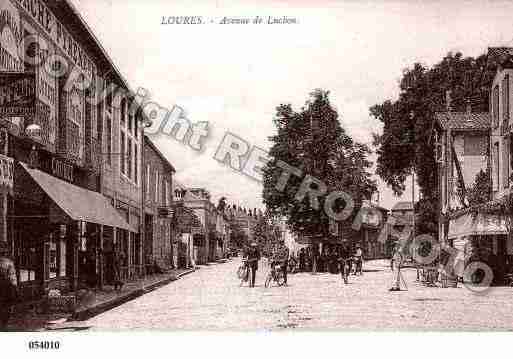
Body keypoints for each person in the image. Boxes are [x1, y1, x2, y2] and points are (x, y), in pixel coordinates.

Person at [0, 246, 18, 330]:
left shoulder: (8, 263)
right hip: (5, 285)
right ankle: (4, 322)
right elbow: (12, 276)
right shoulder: (9, 263)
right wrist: (15, 286)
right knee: (7, 304)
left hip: (5, 285)